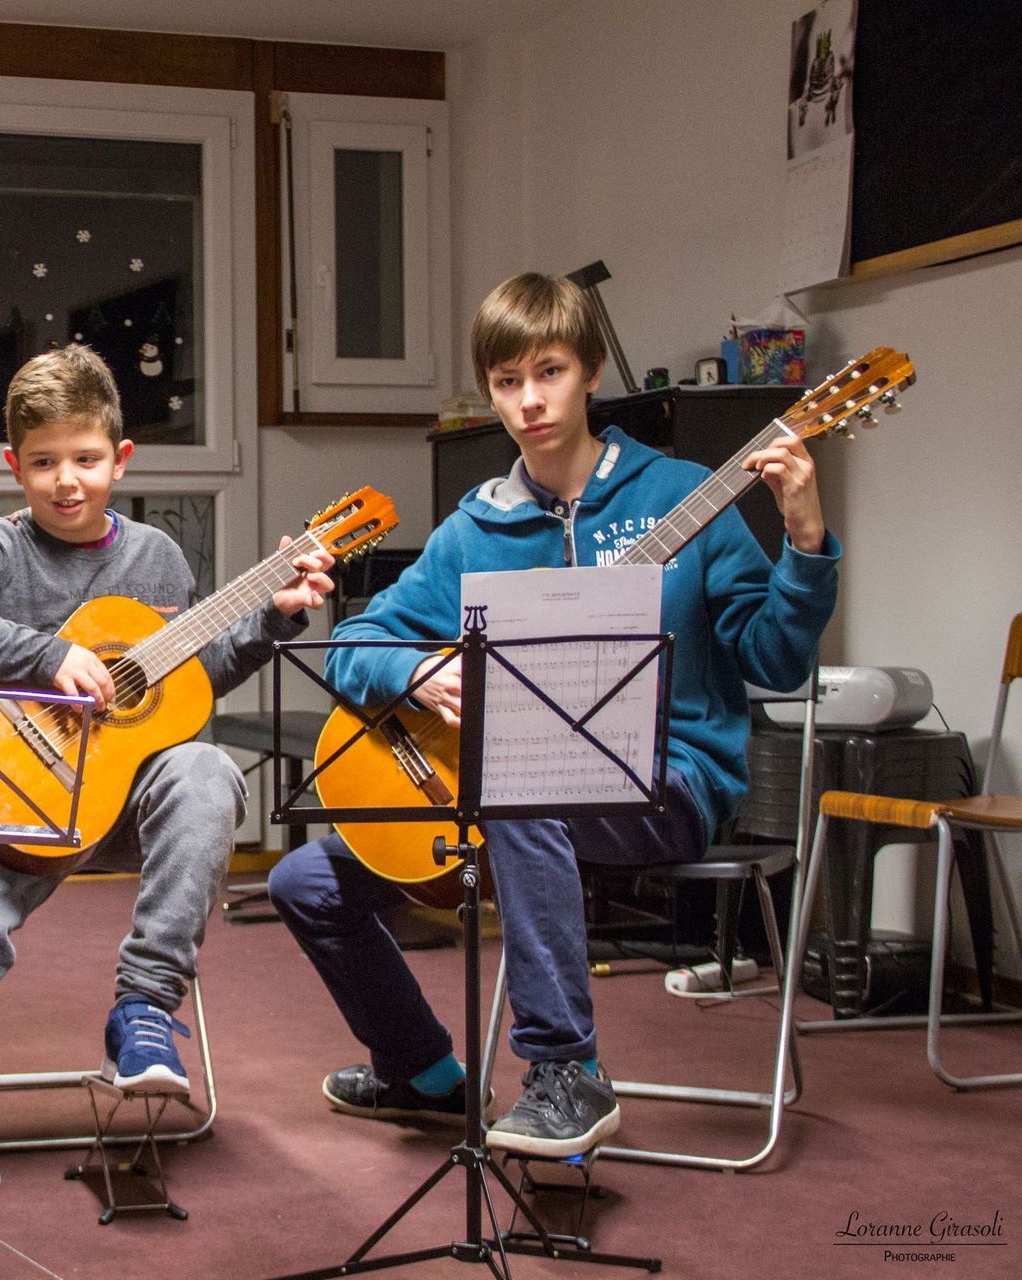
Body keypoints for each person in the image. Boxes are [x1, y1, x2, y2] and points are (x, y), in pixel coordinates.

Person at [268, 272, 839, 1159]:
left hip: (672, 780)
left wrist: (802, 540)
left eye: (550, 372)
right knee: (305, 882)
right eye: (507, 382)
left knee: (518, 785)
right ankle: (423, 1073)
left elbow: (775, 660)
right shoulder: (475, 529)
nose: (529, 401)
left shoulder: (686, 496)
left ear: (591, 373)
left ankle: (567, 1069)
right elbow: (353, 644)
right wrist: (415, 670)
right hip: (515, 799)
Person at [0, 344, 334, 1224]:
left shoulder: (157, 558)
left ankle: (144, 1011)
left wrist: (270, 623)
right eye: (44, 462)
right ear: (14, 467)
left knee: (204, 768)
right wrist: (47, 655)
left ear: (120, 459)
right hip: (14, 809)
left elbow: (186, 683)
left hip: (122, 807)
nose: (66, 481)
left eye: (85, 459)